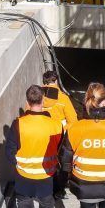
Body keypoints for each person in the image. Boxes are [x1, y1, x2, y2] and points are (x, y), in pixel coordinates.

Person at [6, 85, 63, 208]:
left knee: (24, 201)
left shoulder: (18, 124)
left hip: (24, 173)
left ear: (27, 102)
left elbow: (9, 152)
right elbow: (60, 148)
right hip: (46, 174)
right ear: (43, 100)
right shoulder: (56, 125)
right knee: (46, 206)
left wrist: (19, 163)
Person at [41, 70, 78, 200]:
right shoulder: (63, 98)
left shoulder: (36, 96)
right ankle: (59, 190)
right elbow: (73, 121)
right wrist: (64, 129)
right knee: (60, 163)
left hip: (40, 134)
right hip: (58, 136)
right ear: (56, 81)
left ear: (44, 82)